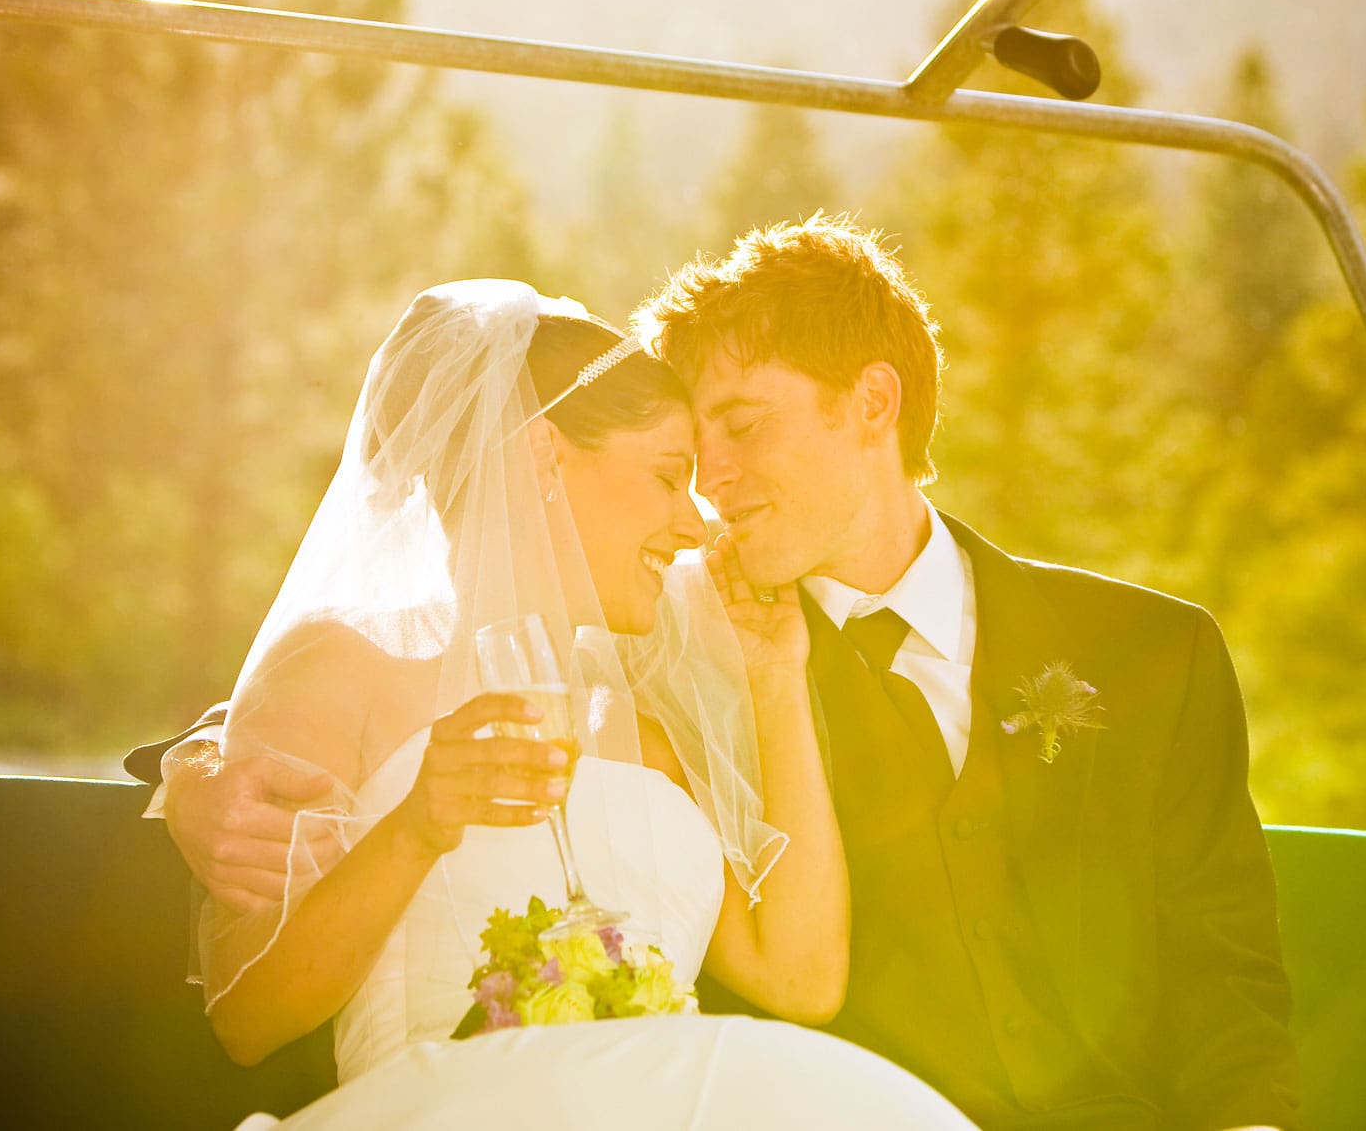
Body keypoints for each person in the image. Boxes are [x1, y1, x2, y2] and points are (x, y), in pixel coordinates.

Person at [147, 221, 1301, 1129]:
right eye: (684, 459)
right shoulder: (676, 629)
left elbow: (1223, 958)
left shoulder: (1152, 651)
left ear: (872, 404)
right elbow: (380, 702)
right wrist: (195, 770)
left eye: (740, 429)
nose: (710, 492)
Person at [166, 278, 972, 1129]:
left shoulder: (652, 719)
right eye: (669, 476)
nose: (695, 524)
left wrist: (776, 673)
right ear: (544, 456)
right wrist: (416, 827)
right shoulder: (339, 665)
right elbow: (248, 1018)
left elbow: (802, 976)